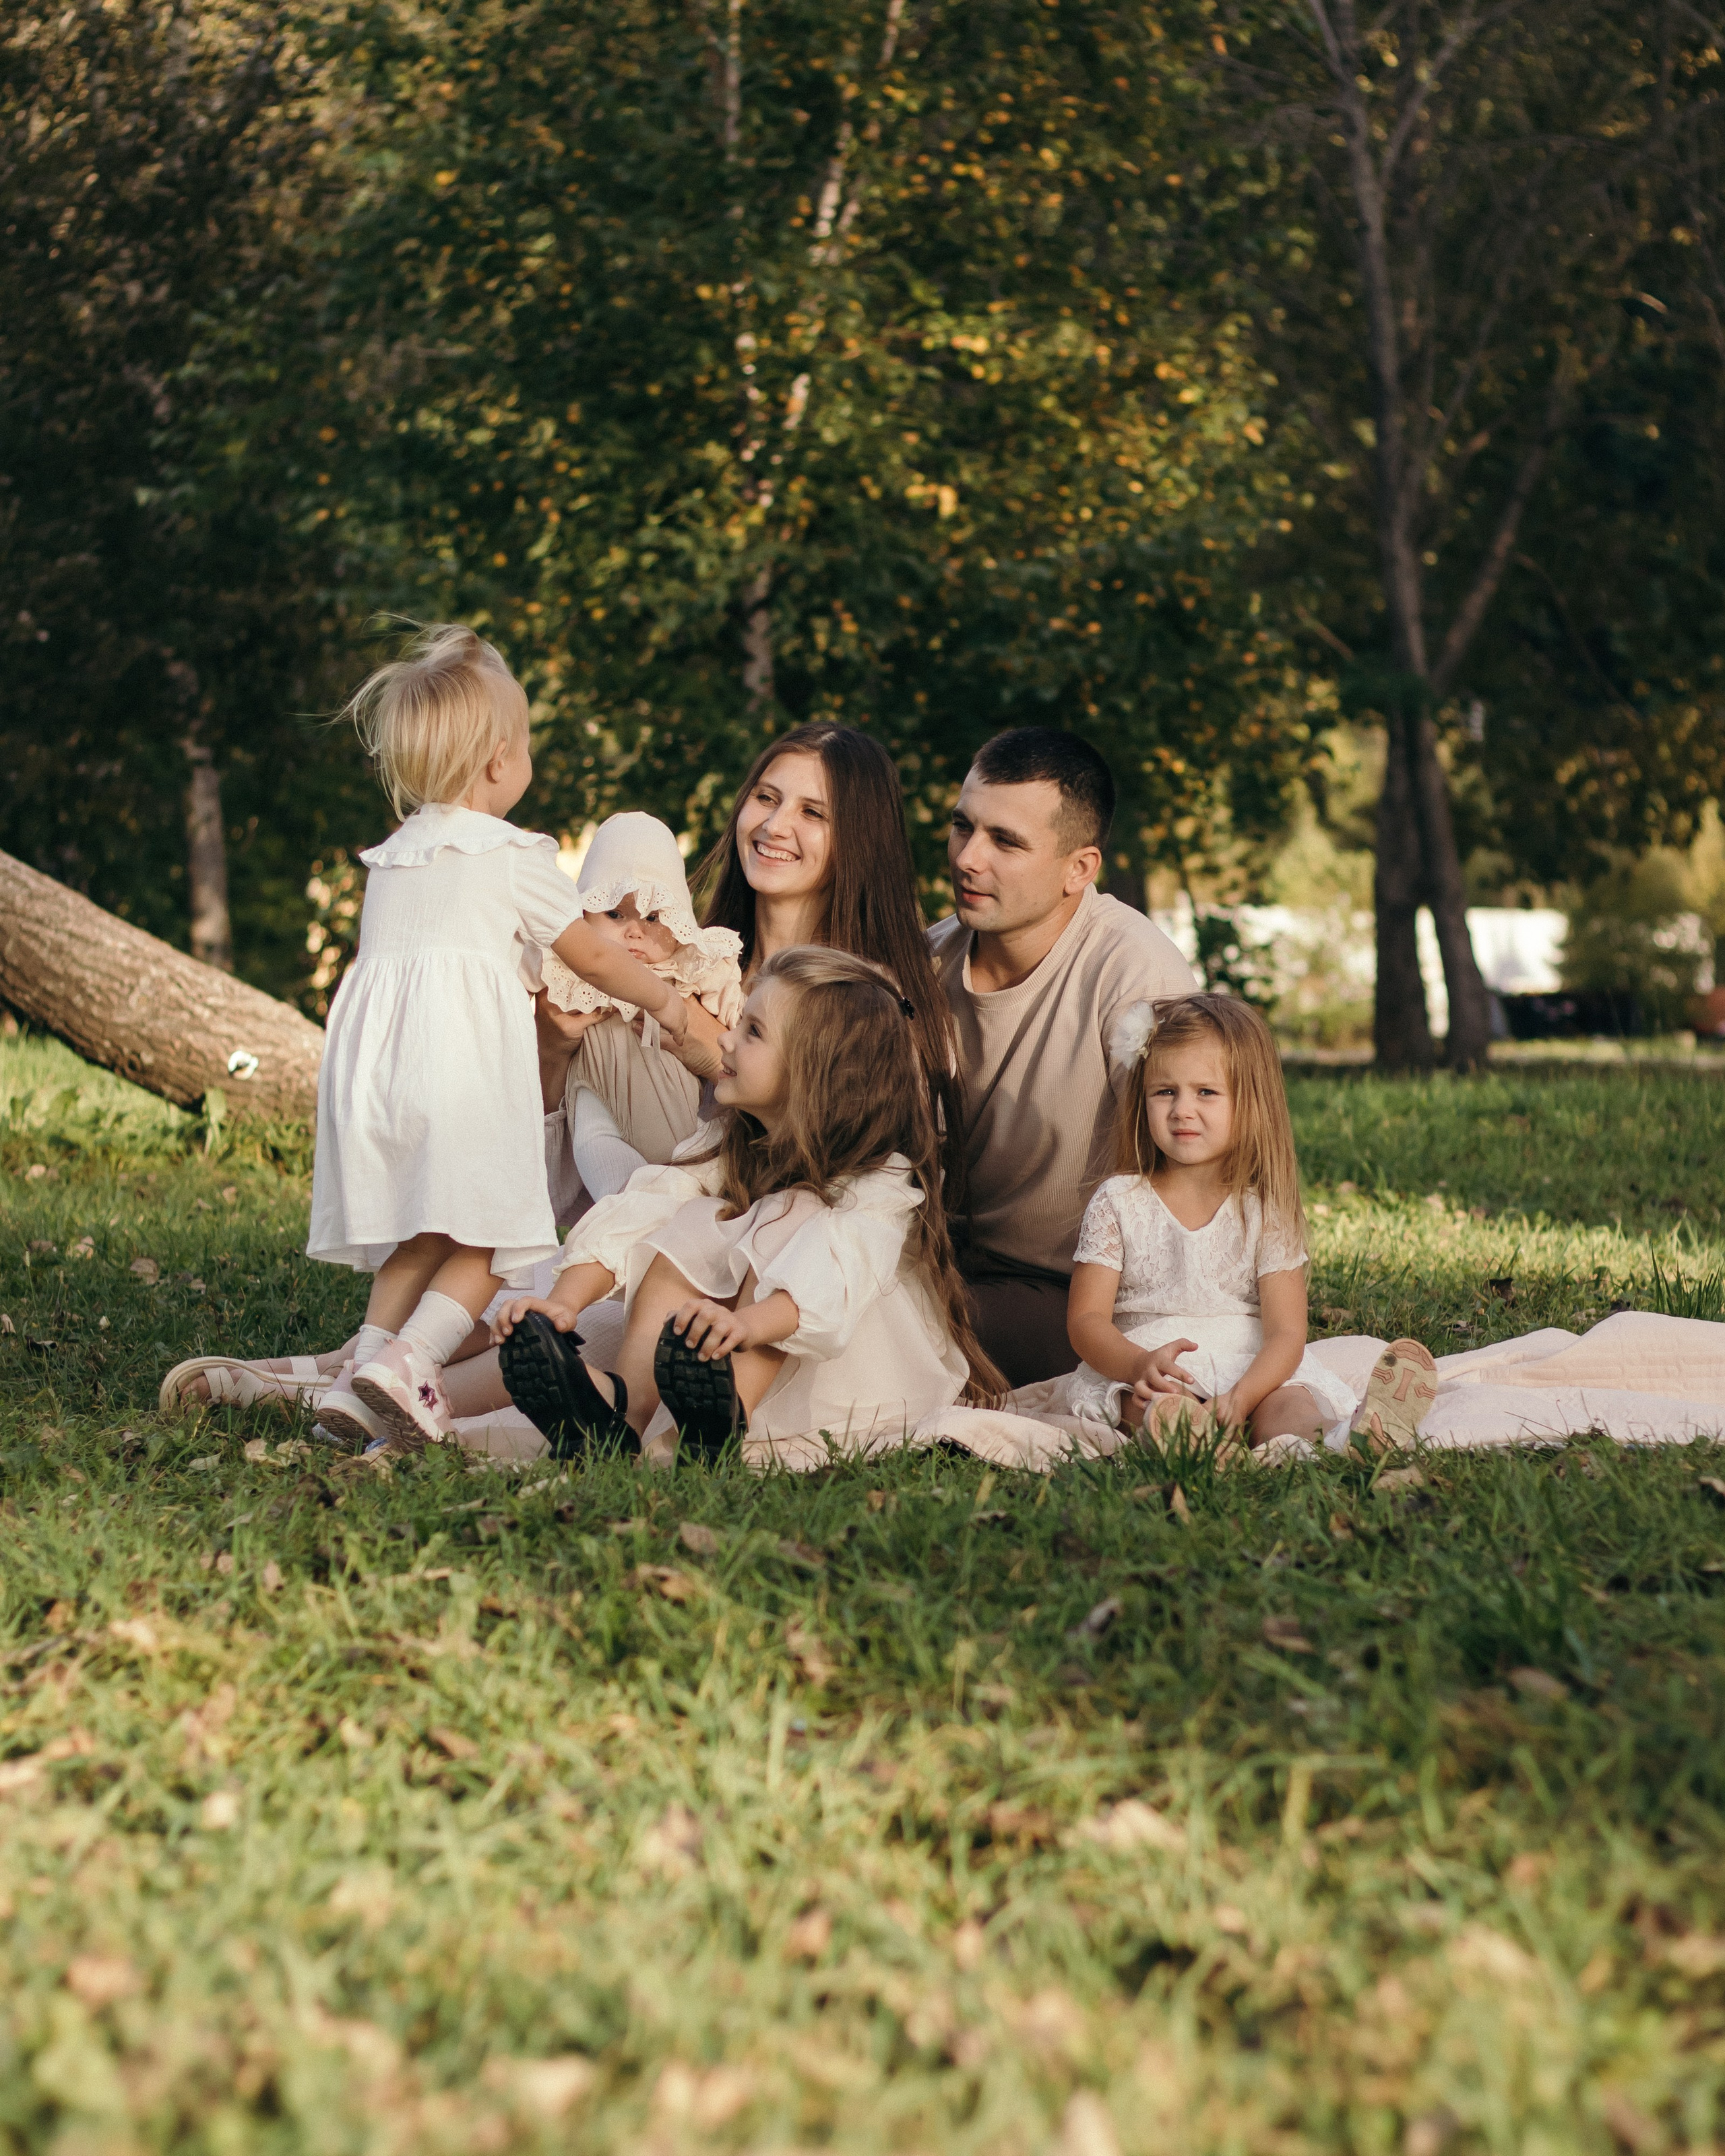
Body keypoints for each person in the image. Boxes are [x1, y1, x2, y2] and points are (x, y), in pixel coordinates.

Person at [303, 623, 691, 1453]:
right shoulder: (512, 854)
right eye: (526, 746)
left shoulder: (394, 857)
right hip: (458, 1077)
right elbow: (590, 952)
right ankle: (416, 1358)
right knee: (495, 1234)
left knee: (422, 1235)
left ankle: (362, 1367)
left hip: (374, 1082)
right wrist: (666, 998)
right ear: (496, 762)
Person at [488, 948, 1003, 1466]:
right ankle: (627, 1406)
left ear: (817, 1071)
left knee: (791, 1216)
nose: (726, 1039)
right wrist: (565, 1303)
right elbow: (639, 1214)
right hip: (732, 1339)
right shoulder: (727, 1145)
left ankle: (727, 1410)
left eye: (753, 1031)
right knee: (687, 1220)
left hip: (842, 1376)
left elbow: (833, 1279)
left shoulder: (879, 1177)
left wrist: (748, 1326)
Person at [927, 726, 1196, 1387]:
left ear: (1079, 867)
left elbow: (1198, 1171)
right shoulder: (925, 962)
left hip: (1083, 1297)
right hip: (945, 1261)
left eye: (1005, 841)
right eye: (964, 827)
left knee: (878, 1325)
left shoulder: (1135, 973)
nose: (968, 858)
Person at [1063, 992, 1360, 1454]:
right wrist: (1138, 1364)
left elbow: (1286, 1332)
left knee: (1288, 1409)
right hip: (1154, 1362)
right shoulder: (1119, 1201)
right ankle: (1192, 1444)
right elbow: (1086, 1319)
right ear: (1143, 1101)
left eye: (1206, 1092)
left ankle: (1348, 1440)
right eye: (1165, 1092)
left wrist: (1242, 1398)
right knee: (1156, 1406)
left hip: (1251, 1365)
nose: (1182, 1109)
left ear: (1249, 1103)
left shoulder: (1264, 1210)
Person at [526, 811, 743, 1199]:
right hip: (598, 1109)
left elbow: (738, 1020)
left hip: (681, 1122)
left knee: (686, 1180)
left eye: (654, 916)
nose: (634, 931)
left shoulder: (694, 967)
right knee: (605, 1161)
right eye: (614, 914)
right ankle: (622, 1208)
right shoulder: (566, 972)